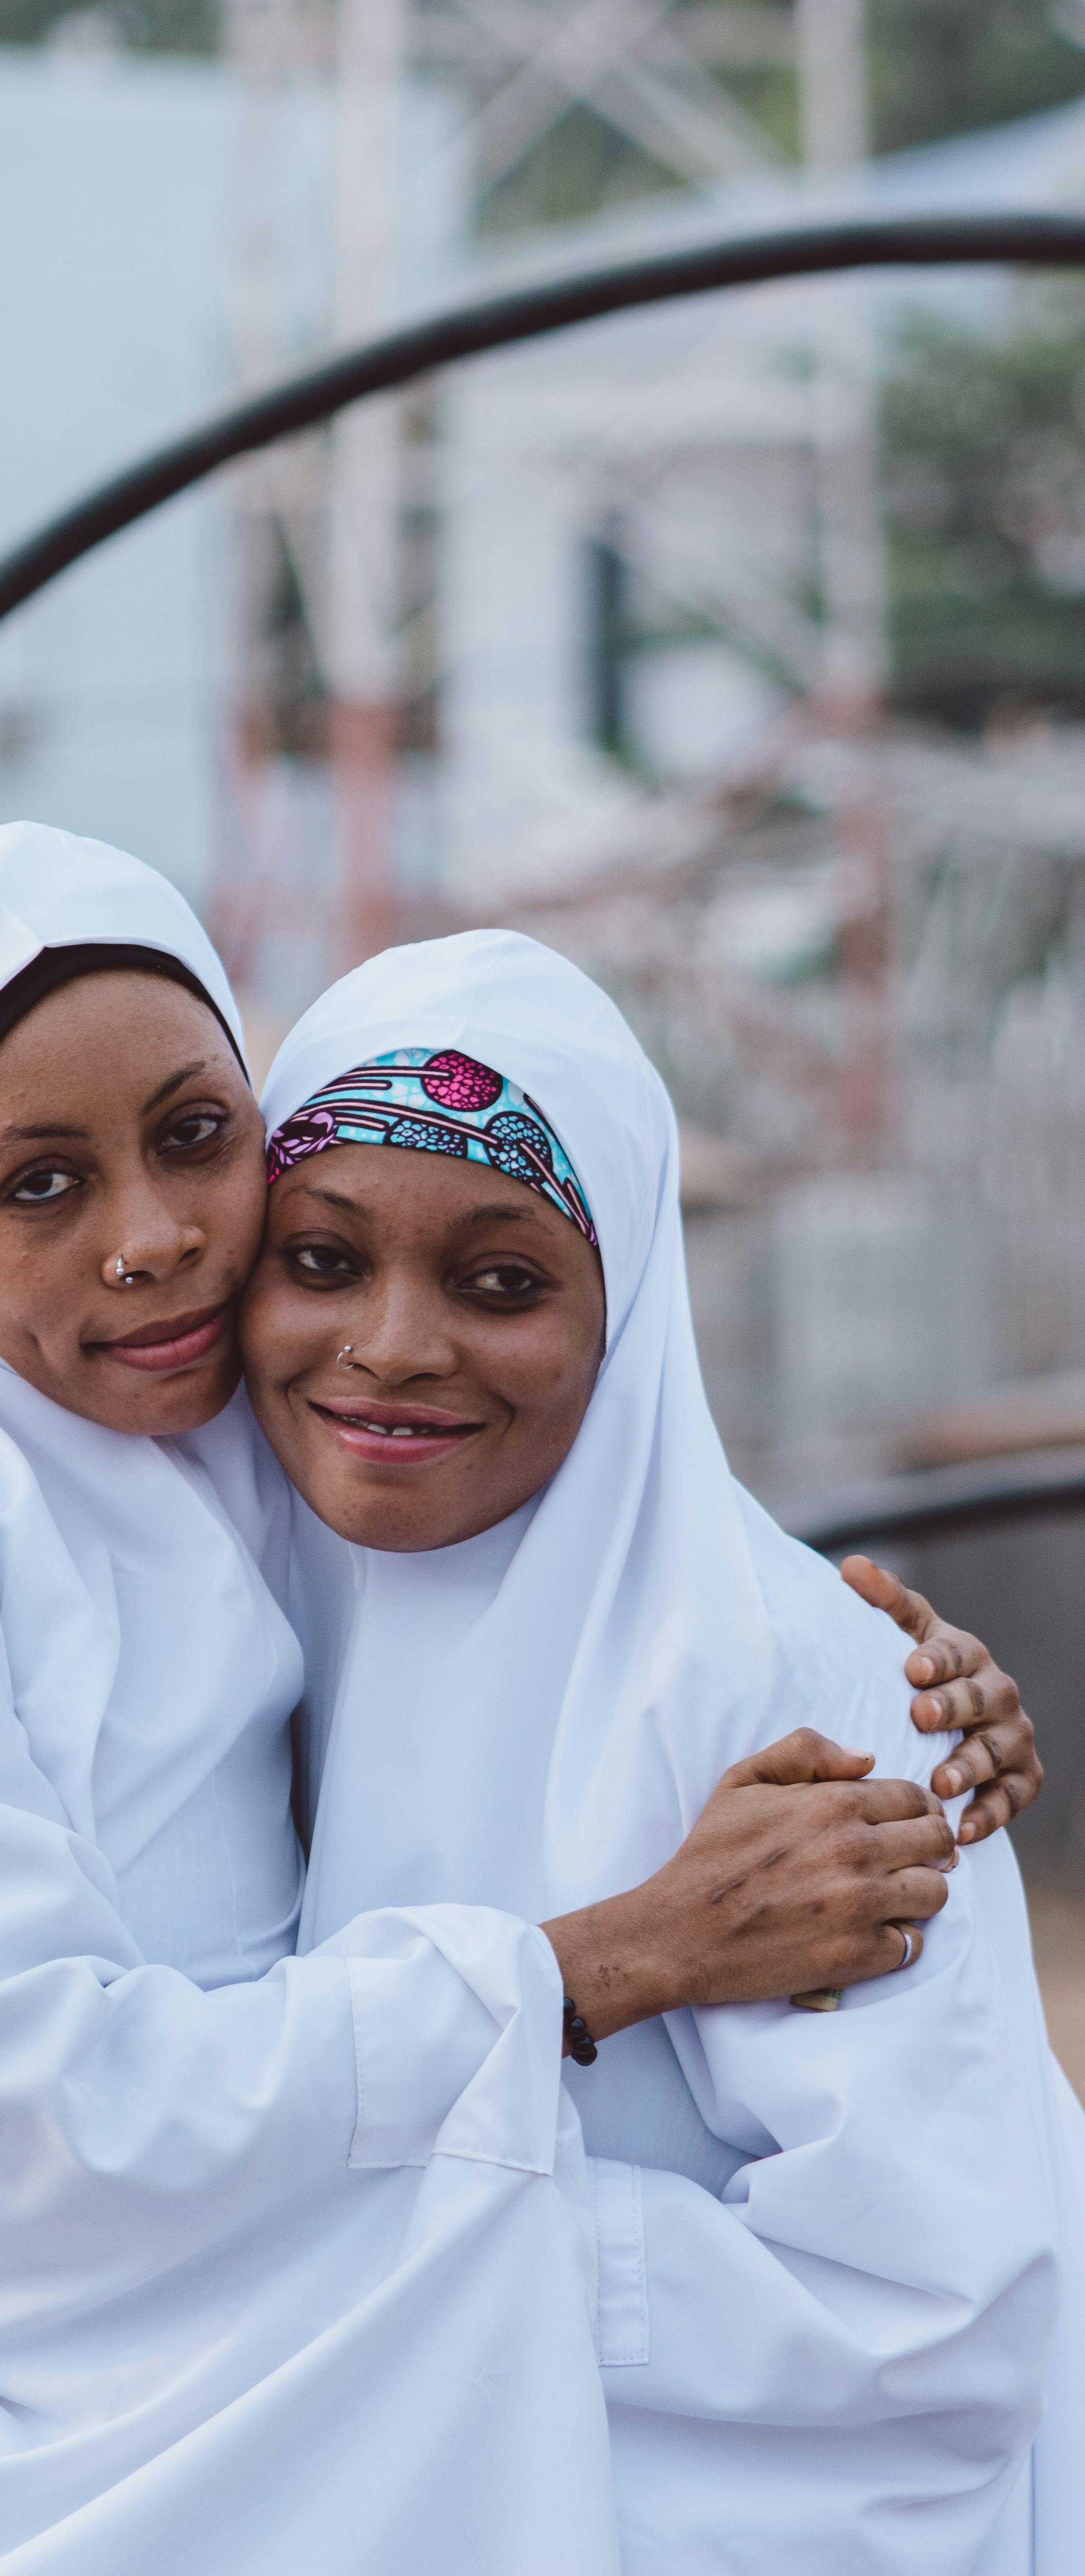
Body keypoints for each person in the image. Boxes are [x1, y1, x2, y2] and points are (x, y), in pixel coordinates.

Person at [0, 825, 1038, 2574]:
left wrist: (897, 1678)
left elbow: (940, 2299)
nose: (156, 1243)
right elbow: (33, 2125)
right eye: (41, 1183)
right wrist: (600, 1973)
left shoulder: (245, 1502)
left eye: (197, 1140)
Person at [240, 925, 1083, 2573]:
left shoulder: (797, 1692)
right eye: (324, 1260)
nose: (396, 1345)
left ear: (627, 1313)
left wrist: (358, 2244)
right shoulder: (230, 1607)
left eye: (501, 1282)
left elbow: (930, 2306)